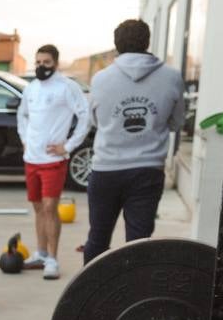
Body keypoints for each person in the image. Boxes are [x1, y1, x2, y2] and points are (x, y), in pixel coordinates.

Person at [83, 19, 186, 263]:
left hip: (107, 169)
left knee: (97, 238)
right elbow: (177, 123)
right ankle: (135, 297)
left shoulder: (100, 79)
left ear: (116, 44)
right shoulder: (172, 77)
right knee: (139, 243)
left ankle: (87, 298)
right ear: (147, 41)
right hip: (147, 170)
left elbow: (95, 121)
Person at [17, 44, 89, 280]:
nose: (41, 67)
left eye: (46, 62)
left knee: (50, 208)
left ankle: (52, 260)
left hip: (53, 160)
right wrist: (25, 139)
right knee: (38, 208)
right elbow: (23, 115)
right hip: (32, 159)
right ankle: (39, 253)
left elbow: (85, 116)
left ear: (56, 64)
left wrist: (67, 146)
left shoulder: (67, 87)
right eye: (37, 62)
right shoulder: (31, 88)